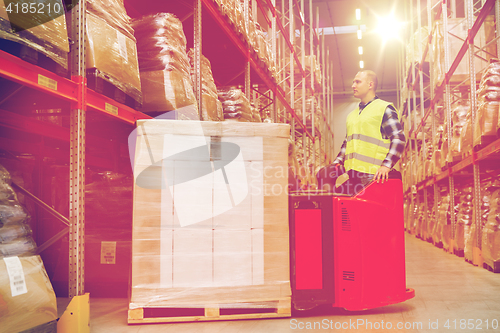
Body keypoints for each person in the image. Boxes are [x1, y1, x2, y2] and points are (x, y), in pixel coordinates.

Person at [330, 70, 406, 195]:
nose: (353, 86)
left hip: (374, 176)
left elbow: (398, 138)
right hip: (353, 176)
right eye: (353, 82)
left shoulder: (384, 109)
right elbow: (347, 143)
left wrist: (386, 166)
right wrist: (336, 164)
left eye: (357, 82)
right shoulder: (352, 116)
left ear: (370, 85)